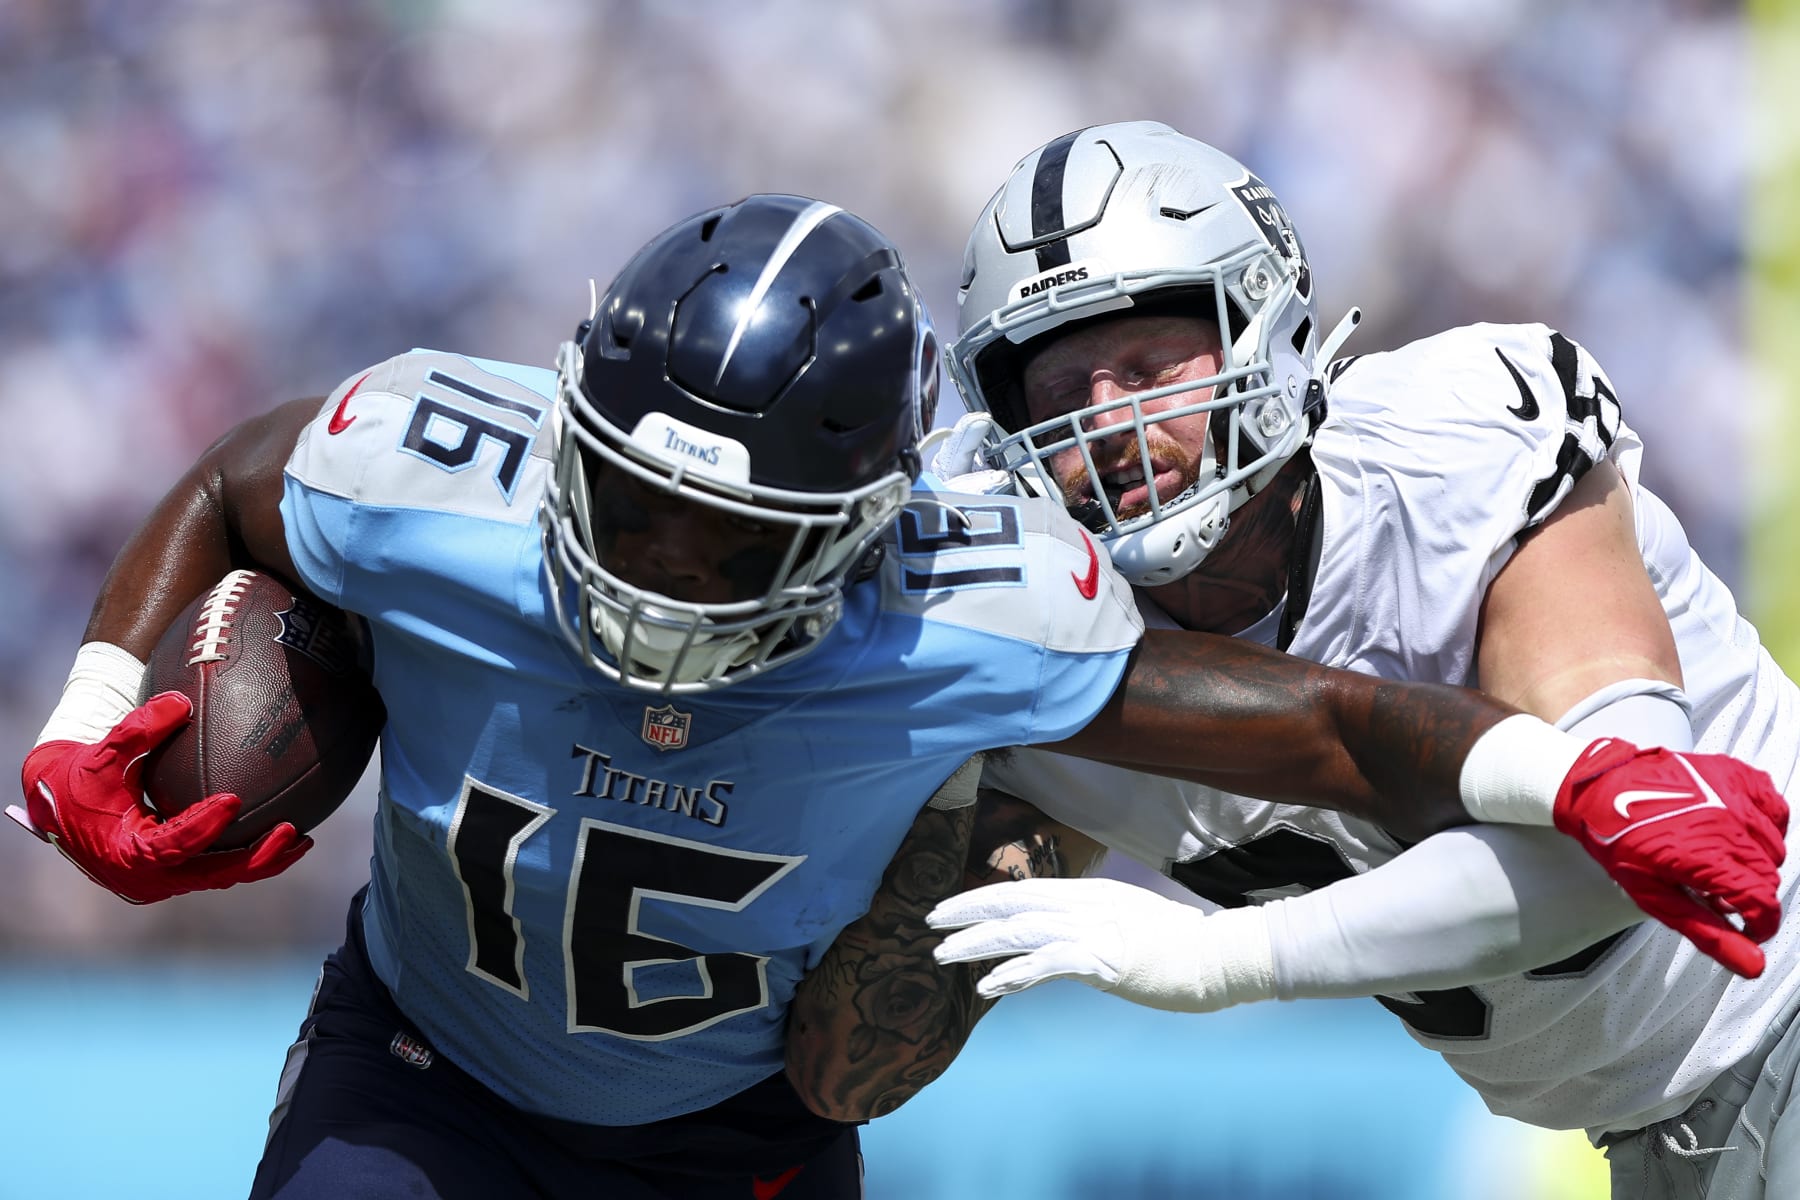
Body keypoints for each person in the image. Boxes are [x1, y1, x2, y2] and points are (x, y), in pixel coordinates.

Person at [6, 193, 1782, 1200]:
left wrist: (1576, 779)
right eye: (630, 502)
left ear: (863, 523)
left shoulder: (967, 620)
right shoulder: (438, 471)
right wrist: (94, 709)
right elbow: (248, 478)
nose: (661, 564)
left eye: (732, 534)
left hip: (734, 1148)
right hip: (420, 1075)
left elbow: (1327, 723)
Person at [906, 122, 1800, 1199]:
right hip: (1664, 1139)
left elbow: (1633, 847)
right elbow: (855, 1056)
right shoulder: (1042, 652)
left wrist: (1226, 960)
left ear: (1266, 326)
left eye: (1147, 367)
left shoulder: (1453, 444)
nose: (1110, 425)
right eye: (1059, 397)